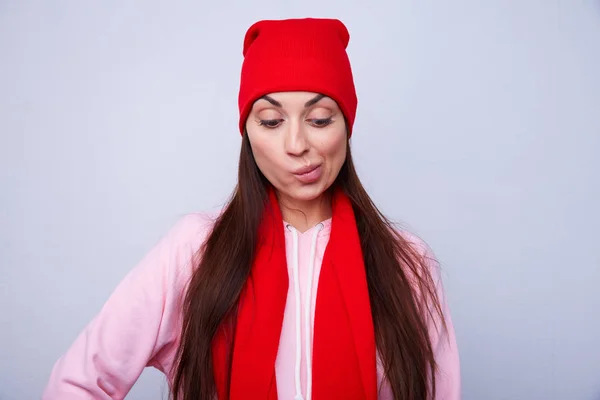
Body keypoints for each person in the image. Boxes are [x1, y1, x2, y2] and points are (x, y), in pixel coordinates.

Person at [42, 17, 460, 400]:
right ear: (247, 131)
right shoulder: (194, 251)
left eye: (319, 119)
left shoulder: (407, 262)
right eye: (271, 121)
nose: (297, 146)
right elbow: (78, 383)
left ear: (346, 125)